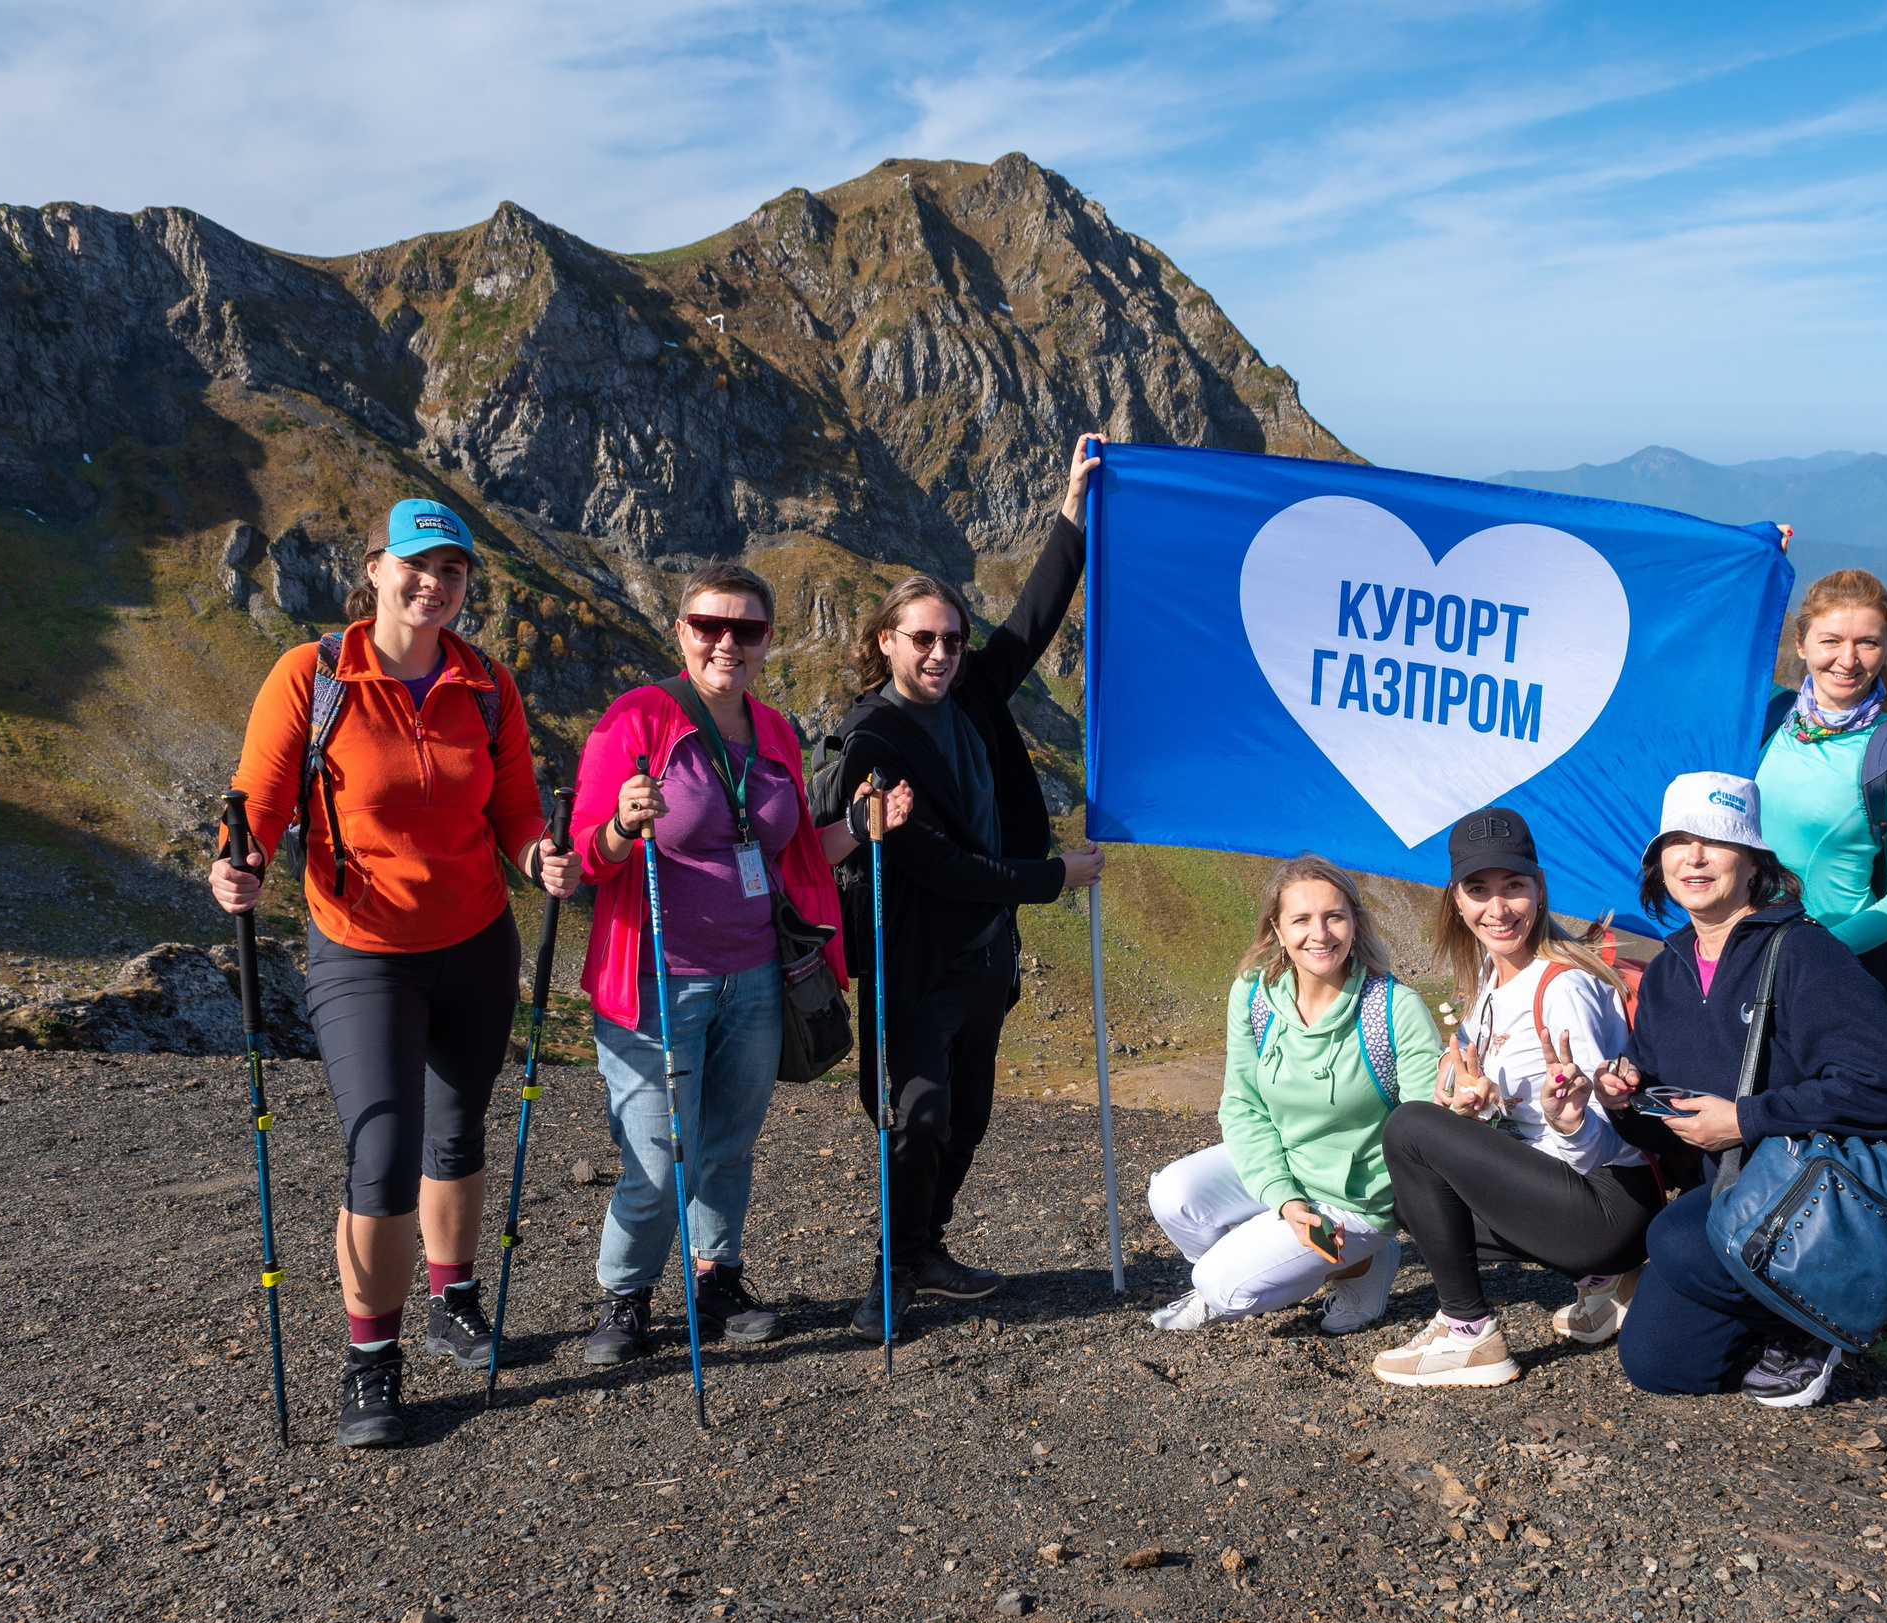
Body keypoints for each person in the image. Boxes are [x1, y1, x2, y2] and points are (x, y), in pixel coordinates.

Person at [215, 497, 578, 1449]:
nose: (434, 584)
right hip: (362, 949)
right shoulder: (314, 676)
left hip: (477, 940)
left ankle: (453, 1303)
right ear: (374, 568)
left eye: (452, 570)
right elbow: (260, 801)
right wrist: (241, 860)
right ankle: (370, 1360)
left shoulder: (487, 686)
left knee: (455, 1132)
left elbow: (514, 809)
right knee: (381, 1151)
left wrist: (538, 855)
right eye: (417, 564)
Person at [568, 567, 909, 1364]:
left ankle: (717, 1276)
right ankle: (625, 1292)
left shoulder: (776, 730)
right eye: (709, 626)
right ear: (681, 630)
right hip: (657, 977)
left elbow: (794, 855)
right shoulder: (635, 720)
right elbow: (586, 854)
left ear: (766, 640)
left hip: (757, 975)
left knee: (728, 1139)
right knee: (660, 1154)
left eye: (746, 629)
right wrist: (620, 824)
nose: (727, 642)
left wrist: (862, 825)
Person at [813, 436, 1108, 1340]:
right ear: (886, 642)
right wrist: (1054, 876)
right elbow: (939, 866)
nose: (941, 653)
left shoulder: (974, 691)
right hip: (913, 962)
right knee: (919, 1113)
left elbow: (1032, 621)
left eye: (951, 638)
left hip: (985, 959)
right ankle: (891, 1272)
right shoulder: (871, 740)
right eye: (923, 639)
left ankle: (927, 1246)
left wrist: (1072, 511)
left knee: (969, 1115)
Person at [1581, 773, 1887, 1408]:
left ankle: (1834, 1304)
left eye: (1717, 841)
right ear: (1659, 862)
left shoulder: (1806, 953)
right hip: (1734, 1193)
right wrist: (1623, 1100)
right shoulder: (1668, 971)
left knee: (1675, 1240)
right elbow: (1669, 1126)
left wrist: (1746, 1119)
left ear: (1754, 861)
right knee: (1659, 1363)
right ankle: (1782, 1307)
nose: (1695, 858)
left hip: (1821, 1196)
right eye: (1678, 842)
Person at [1367, 808, 1662, 1388]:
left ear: (1540, 888)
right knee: (1411, 1199)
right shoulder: (1490, 975)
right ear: (1456, 900)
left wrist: (1571, 1122)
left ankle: (1468, 1334)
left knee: (1408, 1129)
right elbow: (1505, 1093)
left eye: (1513, 887)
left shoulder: (1564, 986)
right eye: (1478, 890)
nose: (1497, 909)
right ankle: (1606, 1284)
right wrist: (1477, 1103)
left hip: (1610, 1200)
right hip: (1574, 1193)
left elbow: (1608, 1137)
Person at [1145, 856, 1436, 1334]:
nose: (1319, 934)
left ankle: (1359, 1260)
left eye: (1334, 916)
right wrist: (1284, 1200)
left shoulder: (1395, 1008)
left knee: (1221, 1285)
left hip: (1354, 1199)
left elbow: (1429, 1126)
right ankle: (1258, 1267)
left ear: (1355, 923)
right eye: (1301, 920)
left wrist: (1472, 1108)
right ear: (1277, 930)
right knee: (1172, 1195)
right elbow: (1243, 1106)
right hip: (1288, 1162)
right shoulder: (1253, 995)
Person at [1755, 570, 1887, 1033]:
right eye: (1831, 641)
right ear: (1800, 643)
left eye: (1868, 643)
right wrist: (1760, 568)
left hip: (1843, 979)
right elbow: (1707, 654)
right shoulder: (1766, 714)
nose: (1848, 659)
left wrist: (1807, 955)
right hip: (1747, 962)